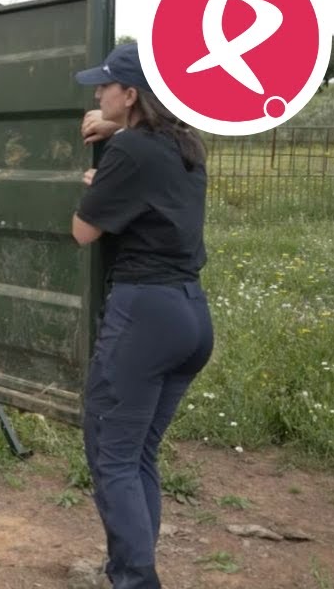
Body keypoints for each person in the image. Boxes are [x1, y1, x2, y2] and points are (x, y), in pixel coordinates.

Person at [70, 42, 215, 589]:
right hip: (191, 315)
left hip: (144, 314)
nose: (97, 93)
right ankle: (126, 570)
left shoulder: (129, 155)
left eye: (105, 86)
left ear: (129, 95)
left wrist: (99, 179)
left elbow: (84, 232)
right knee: (137, 455)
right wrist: (117, 140)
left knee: (111, 454)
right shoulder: (186, 146)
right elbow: (152, 190)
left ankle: (134, 580)